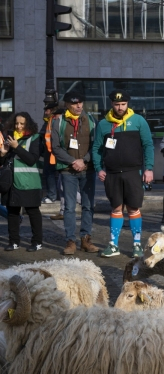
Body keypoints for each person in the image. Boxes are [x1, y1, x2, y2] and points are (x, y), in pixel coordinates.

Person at [92, 90, 154, 258]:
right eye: (117, 104)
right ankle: (113, 244)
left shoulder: (139, 121)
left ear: (128, 104)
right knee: (116, 207)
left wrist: (148, 168)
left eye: (123, 104)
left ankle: (136, 245)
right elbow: (97, 148)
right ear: (112, 104)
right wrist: (99, 168)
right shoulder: (104, 124)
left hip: (133, 172)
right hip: (112, 174)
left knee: (133, 208)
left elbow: (148, 145)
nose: (120, 107)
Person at [51, 90, 99, 255]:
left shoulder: (91, 120)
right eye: (74, 103)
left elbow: (96, 145)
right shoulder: (58, 122)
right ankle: (70, 241)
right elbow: (55, 148)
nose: (79, 106)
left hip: (88, 169)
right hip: (67, 170)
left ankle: (86, 239)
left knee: (88, 205)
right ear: (67, 104)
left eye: (80, 102)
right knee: (69, 207)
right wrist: (73, 161)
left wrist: (84, 160)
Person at [0, 112, 43, 251]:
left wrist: (16, 147)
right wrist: (2, 153)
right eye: (16, 123)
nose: (18, 126)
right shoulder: (10, 138)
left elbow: (32, 159)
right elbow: (3, 162)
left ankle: (37, 242)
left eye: (22, 124)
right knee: (12, 213)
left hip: (29, 182)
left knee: (32, 212)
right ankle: (13, 242)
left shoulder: (35, 138)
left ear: (28, 124)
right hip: (11, 183)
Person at [41, 102, 61, 204]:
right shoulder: (49, 121)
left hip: (53, 152)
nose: (45, 112)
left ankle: (52, 195)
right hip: (51, 152)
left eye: (47, 110)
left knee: (51, 173)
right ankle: (54, 195)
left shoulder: (53, 121)